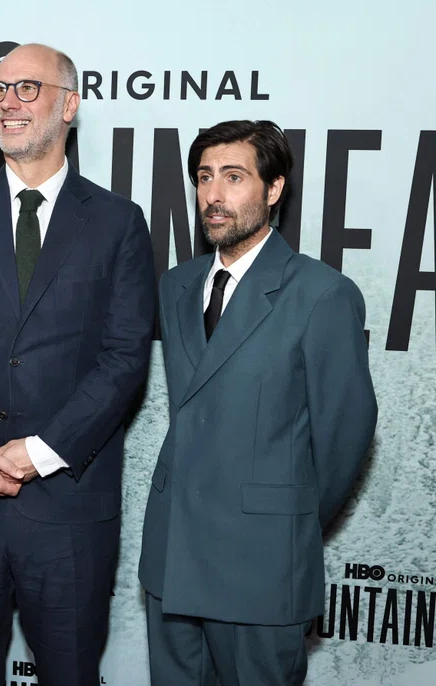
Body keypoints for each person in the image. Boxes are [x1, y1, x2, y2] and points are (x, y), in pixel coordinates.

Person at [0, 43, 156, 685]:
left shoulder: (118, 222)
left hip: (69, 505)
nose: (7, 103)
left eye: (26, 89)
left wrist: (40, 451)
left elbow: (124, 357)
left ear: (68, 105)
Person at [138, 119, 378, 686]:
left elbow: (344, 438)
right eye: (204, 177)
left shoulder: (322, 294)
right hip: (173, 555)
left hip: (261, 564)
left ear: (273, 190)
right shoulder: (176, 285)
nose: (214, 195)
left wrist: (280, 521)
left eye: (234, 177)